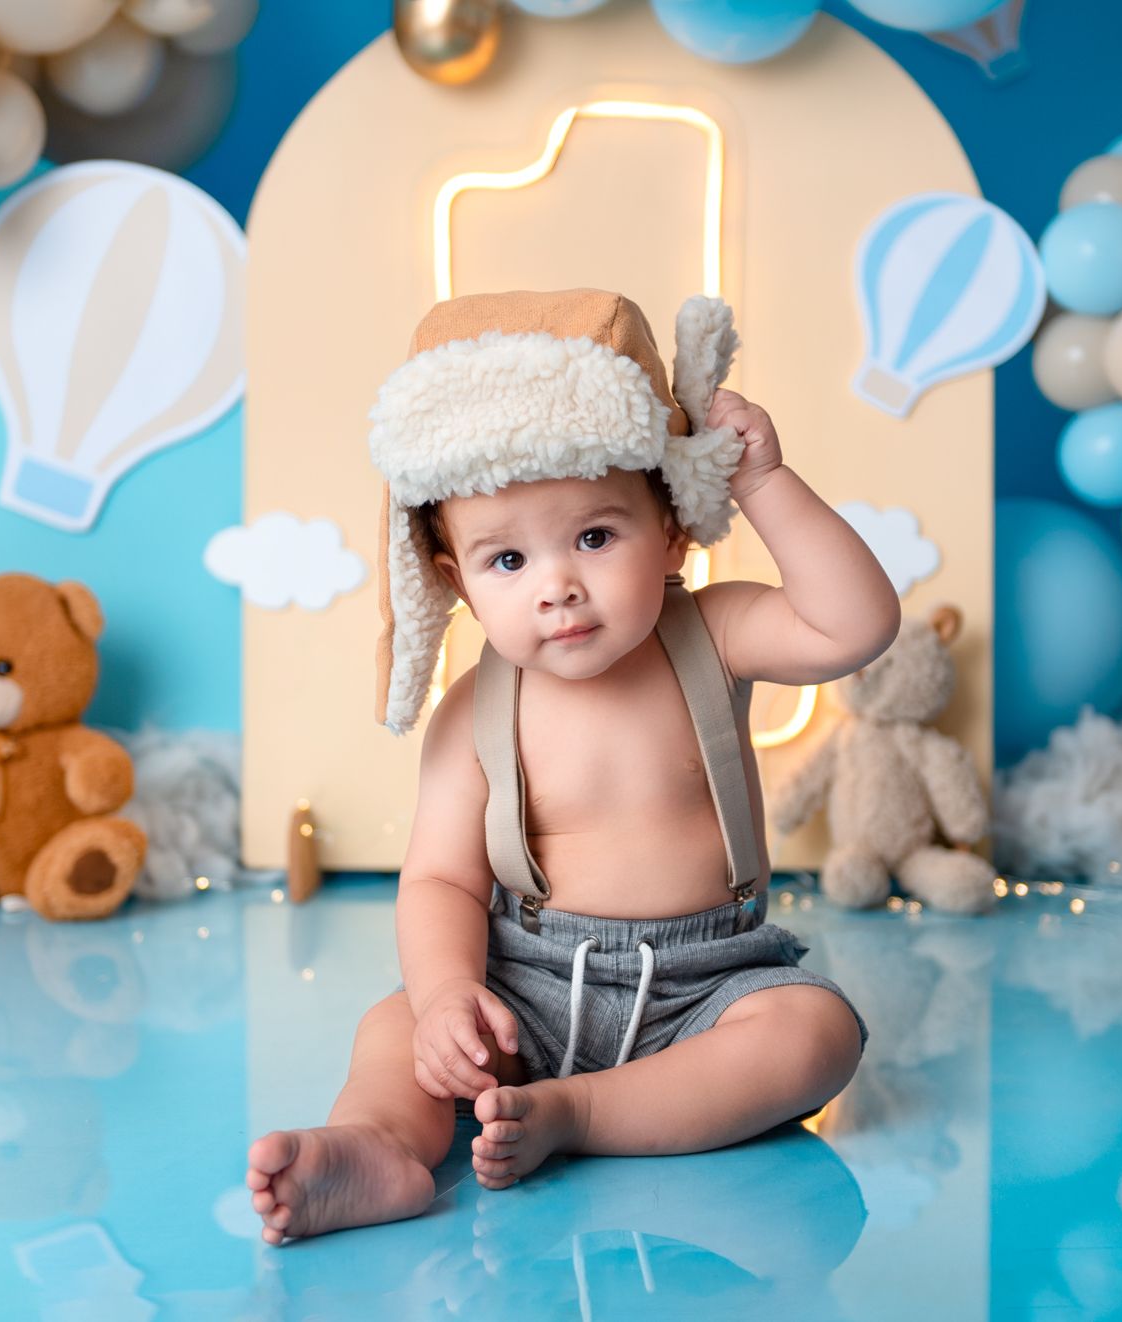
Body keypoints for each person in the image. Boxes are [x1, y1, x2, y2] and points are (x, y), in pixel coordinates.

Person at [246, 289, 902, 1243]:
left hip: (706, 984)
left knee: (816, 1034)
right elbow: (438, 878)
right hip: (528, 988)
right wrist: (444, 1000)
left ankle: (585, 1115)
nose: (558, 585)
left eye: (595, 537)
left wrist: (762, 482)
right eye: (506, 560)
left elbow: (857, 623)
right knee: (395, 1032)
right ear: (452, 579)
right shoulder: (475, 710)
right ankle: (379, 1144)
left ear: (673, 526)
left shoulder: (714, 634)